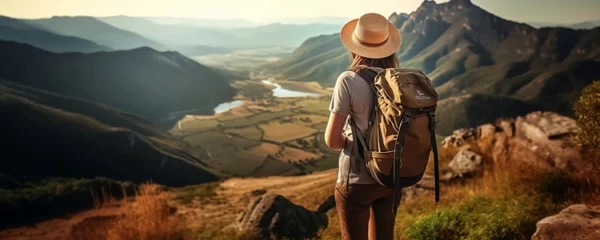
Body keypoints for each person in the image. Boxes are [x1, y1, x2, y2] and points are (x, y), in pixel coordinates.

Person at [324, 12, 403, 240]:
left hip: (357, 179)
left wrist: (350, 142)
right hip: (391, 176)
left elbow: (332, 141)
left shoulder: (348, 80)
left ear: (355, 46)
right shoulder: (398, 80)